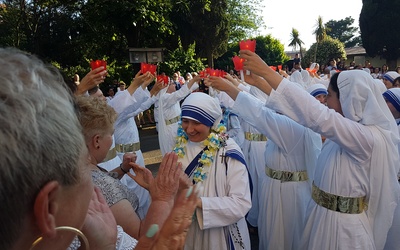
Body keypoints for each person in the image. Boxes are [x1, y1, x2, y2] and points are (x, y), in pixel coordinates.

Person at [0, 47, 198, 250]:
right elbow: (142, 234)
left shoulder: (92, 230)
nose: (94, 178)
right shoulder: (101, 188)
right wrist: (163, 201)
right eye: (83, 169)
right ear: (49, 207)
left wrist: (101, 245)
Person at [239, 49, 400, 250]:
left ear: (348, 99)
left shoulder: (367, 138)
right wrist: (259, 83)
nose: (326, 102)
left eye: (330, 96)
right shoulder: (346, 135)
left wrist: (267, 72)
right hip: (322, 220)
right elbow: (297, 113)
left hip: (345, 233)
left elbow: (316, 116)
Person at [207, 75, 320, 250]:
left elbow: (259, 113)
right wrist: (257, 83)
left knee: (284, 237)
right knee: (277, 235)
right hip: (278, 188)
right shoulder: (295, 120)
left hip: (287, 194)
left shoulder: (292, 126)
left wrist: (229, 88)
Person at [174, 92, 252, 250]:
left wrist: (198, 202)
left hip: (221, 236)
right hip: (189, 232)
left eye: (196, 122)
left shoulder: (228, 151)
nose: (189, 129)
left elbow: (241, 203)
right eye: (185, 121)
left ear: (211, 122)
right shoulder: (179, 148)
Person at [157, 75, 200, 155]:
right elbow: (180, 94)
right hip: (172, 130)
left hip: (178, 126)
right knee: (175, 151)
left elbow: (184, 92)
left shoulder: (171, 97)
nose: (174, 85)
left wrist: (195, 81)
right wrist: (193, 80)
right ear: (167, 87)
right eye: (172, 84)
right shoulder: (165, 98)